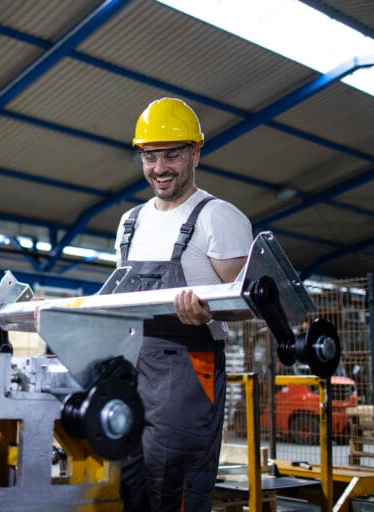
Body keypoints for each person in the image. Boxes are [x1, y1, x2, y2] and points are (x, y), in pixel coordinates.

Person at [114, 97, 253, 512]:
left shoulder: (217, 217)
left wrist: (210, 310)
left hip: (189, 365)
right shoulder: (130, 222)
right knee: (129, 480)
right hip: (133, 362)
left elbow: (250, 302)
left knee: (173, 479)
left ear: (195, 152)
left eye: (171, 155)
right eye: (150, 156)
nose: (160, 168)